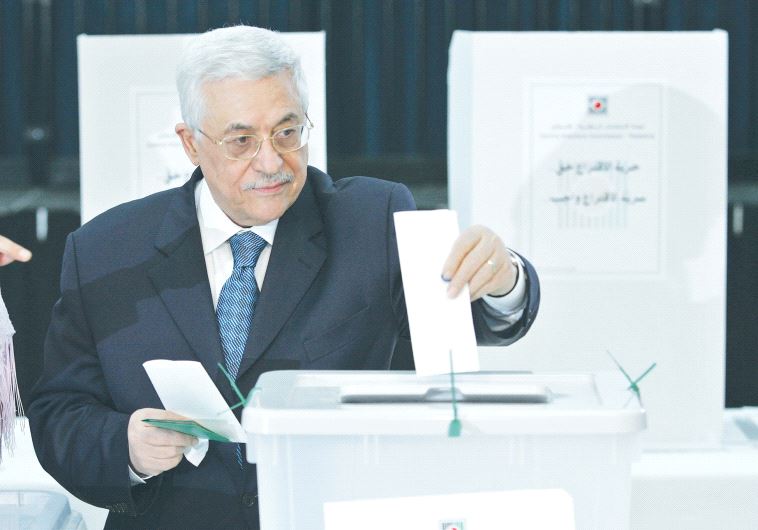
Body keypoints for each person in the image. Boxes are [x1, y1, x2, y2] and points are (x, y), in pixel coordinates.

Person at [28, 25, 539, 529]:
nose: (271, 162)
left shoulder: (372, 219)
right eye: (242, 141)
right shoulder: (107, 249)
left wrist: (503, 279)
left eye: (287, 133)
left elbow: (470, 318)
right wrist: (126, 448)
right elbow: (59, 414)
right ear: (190, 143)